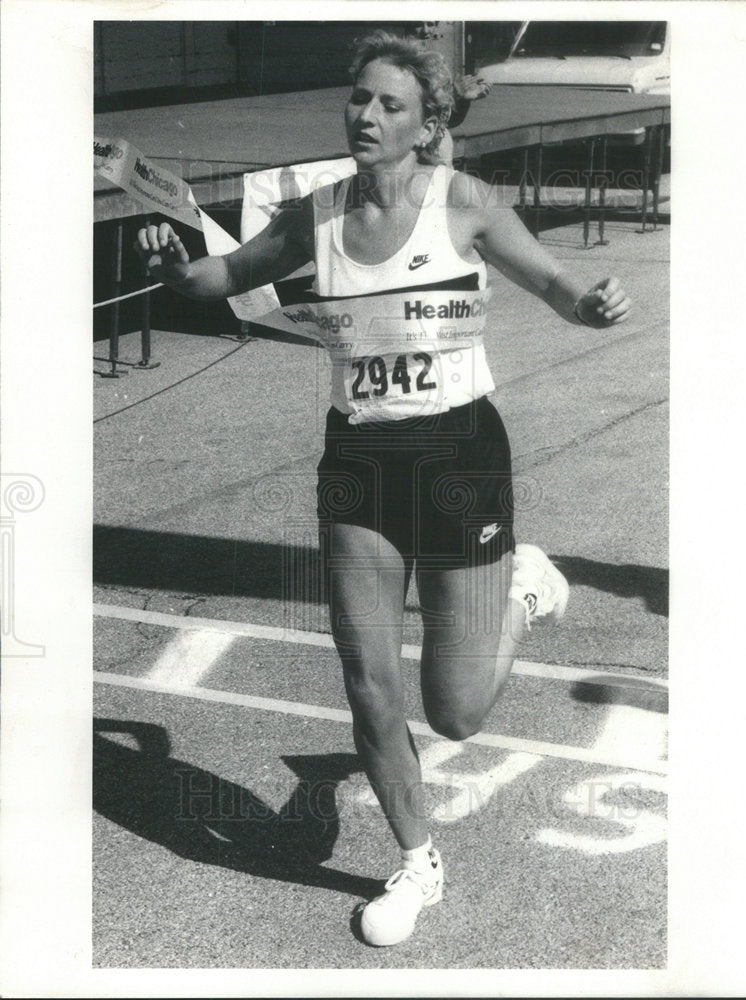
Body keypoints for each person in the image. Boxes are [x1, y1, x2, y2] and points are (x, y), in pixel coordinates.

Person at [135, 29, 630, 948]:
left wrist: (589, 302)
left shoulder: (468, 204)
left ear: (428, 121)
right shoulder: (316, 214)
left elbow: (555, 282)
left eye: (390, 104)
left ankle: (525, 588)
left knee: (455, 711)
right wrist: (180, 273)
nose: (366, 115)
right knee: (366, 680)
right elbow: (229, 273)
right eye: (358, 98)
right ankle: (417, 859)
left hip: (458, 460)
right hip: (358, 460)